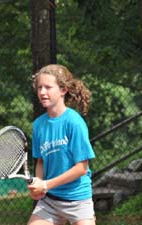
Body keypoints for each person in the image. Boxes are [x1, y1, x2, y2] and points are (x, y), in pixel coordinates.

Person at [27, 64, 96, 225]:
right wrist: (38, 183)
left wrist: (45, 184)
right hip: (50, 201)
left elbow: (81, 168)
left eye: (48, 87)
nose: (42, 92)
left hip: (78, 199)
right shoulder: (38, 125)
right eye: (39, 88)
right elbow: (41, 161)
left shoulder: (74, 122)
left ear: (63, 90)